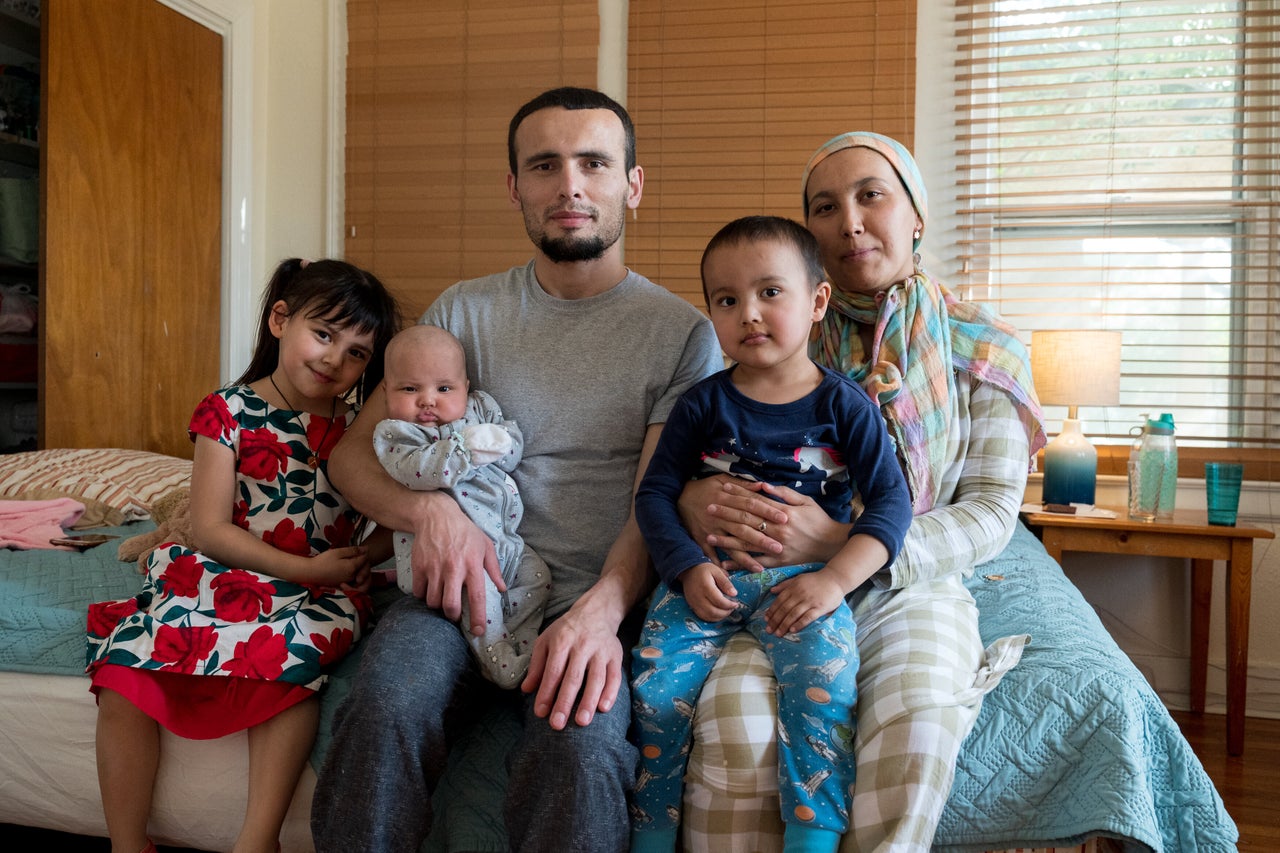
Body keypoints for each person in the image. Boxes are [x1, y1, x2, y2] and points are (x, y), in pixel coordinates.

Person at [310, 87, 724, 853]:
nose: (569, 185)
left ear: (631, 185)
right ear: (515, 189)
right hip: (452, 593)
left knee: (583, 751)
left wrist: (603, 609)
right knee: (380, 706)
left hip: (591, 598)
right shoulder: (462, 313)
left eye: (594, 163)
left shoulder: (683, 336)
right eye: (545, 165)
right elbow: (350, 457)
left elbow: (654, 499)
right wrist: (429, 514)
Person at [677, 133, 1046, 852]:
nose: (848, 221)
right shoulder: (775, 332)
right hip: (777, 578)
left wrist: (845, 544)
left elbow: (993, 512)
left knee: (914, 721)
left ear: (916, 214)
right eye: (825, 206)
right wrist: (694, 496)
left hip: (917, 581)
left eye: (871, 195)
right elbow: (693, 455)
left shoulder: (983, 344)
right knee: (736, 725)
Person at [86, 258, 400, 853]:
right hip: (226, 569)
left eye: (358, 353)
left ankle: (257, 841)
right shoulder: (227, 411)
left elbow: (393, 520)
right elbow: (206, 527)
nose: (335, 359)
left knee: (293, 668)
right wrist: (302, 566)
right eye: (325, 334)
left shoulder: (362, 431)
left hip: (315, 592)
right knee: (125, 667)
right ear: (281, 320)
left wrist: (360, 556)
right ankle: (127, 844)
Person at [630, 215, 913, 853]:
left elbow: (893, 505)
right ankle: (651, 829)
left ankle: (811, 836)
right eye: (727, 301)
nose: (749, 314)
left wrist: (834, 581)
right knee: (653, 686)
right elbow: (653, 494)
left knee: (825, 685)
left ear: (818, 302)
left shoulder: (846, 406)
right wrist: (682, 567)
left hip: (802, 584)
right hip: (709, 579)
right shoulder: (701, 404)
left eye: (769, 293)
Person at [373, 324, 550, 688]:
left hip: (506, 542)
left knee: (538, 578)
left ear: (465, 388)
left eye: (443, 388)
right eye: (410, 389)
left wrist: (501, 441)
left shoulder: (482, 409)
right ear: (386, 392)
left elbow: (510, 450)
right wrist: (464, 449)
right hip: (447, 560)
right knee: (480, 596)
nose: (427, 400)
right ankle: (498, 661)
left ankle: (520, 643)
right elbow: (416, 473)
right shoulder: (396, 434)